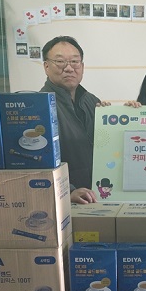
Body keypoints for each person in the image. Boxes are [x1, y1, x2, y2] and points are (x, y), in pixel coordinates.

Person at [40, 35, 110, 204]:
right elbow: (40, 163)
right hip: (66, 202)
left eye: (74, 62)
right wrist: (68, 191)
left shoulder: (92, 101)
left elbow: (105, 145)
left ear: (82, 67)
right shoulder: (40, 107)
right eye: (60, 62)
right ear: (46, 66)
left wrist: (116, 119)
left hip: (97, 196)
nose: (69, 68)